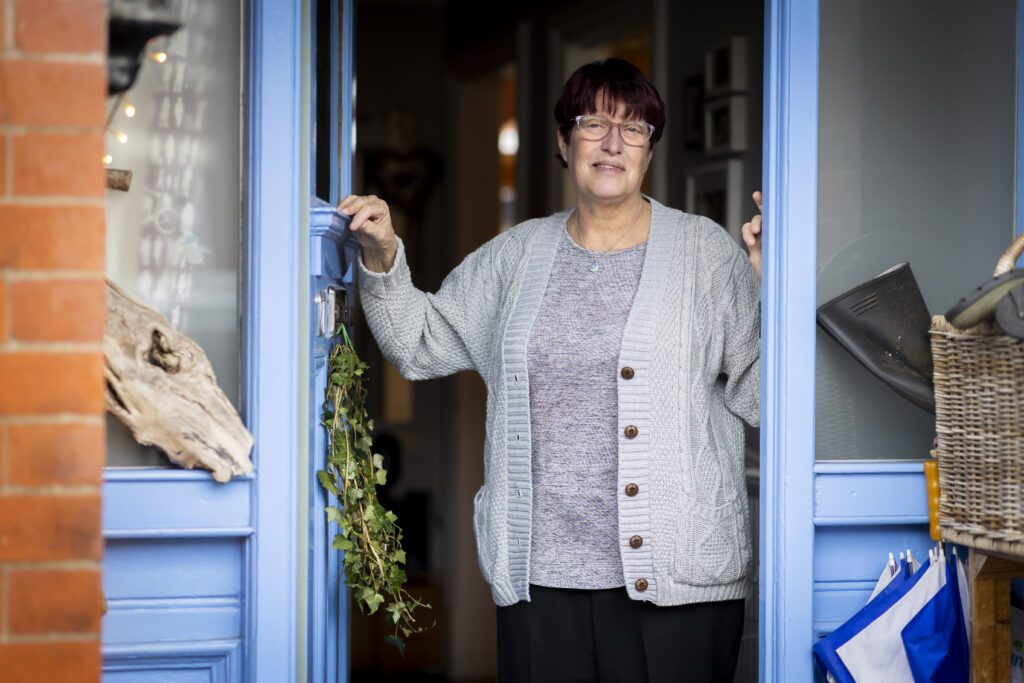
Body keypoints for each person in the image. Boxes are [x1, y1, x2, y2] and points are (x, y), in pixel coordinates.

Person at [339, 58, 763, 683]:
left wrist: (768, 288)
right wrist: (382, 255)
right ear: (564, 143)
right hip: (542, 583)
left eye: (635, 127)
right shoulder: (516, 256)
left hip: (679, 584)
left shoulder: (708, 254)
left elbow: (762, 397)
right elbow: (421, 344)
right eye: (594, 124)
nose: (614, 143)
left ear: (650, 149)